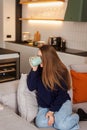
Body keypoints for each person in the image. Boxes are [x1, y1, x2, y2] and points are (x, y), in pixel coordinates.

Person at [27, 45, 79, 130]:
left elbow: (61, 95)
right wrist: (34, 70)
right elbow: (31, 87)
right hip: (45, 105)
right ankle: (60, 118)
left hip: (61, 103)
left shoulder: (61, 71)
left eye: (40, 57)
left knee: (62, 126)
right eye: (38, 56)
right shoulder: (38, 69)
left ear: (48, 58)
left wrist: (51, 112)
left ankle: (77, 116)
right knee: (40, 123)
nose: (38, 59)